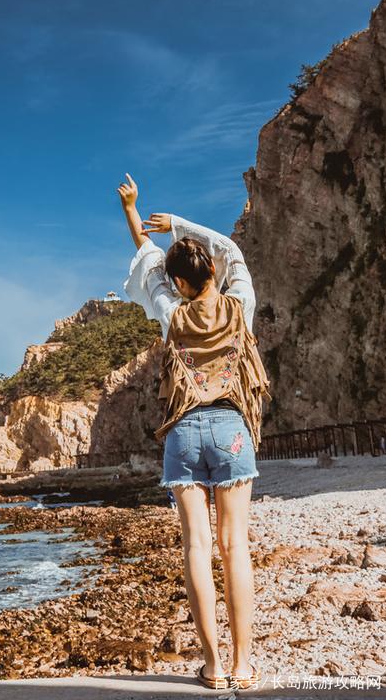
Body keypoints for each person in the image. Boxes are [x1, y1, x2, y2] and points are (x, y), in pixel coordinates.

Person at [118, 173, 266, 691]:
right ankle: (245, 665)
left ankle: (213, 665)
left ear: (179, 283)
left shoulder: (169, 313)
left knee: (197, 549)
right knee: (235, 546)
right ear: (210, 273)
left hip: (183, 431)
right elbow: (234, 251)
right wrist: (180, 222)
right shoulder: (238, 304)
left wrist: (133, 213)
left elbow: (149, 262)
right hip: (231, 427)